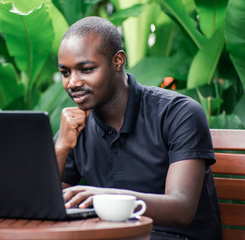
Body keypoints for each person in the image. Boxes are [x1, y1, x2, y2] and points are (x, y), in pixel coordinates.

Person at [54, 16, 222, 240]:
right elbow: (42, 205)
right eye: (65, 73)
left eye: (86, 69)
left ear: (118, 61)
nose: (72, 82)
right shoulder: (76, 126)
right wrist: (61, 147)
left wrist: (104, 197)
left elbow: (181, 209)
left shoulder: (178, 113)